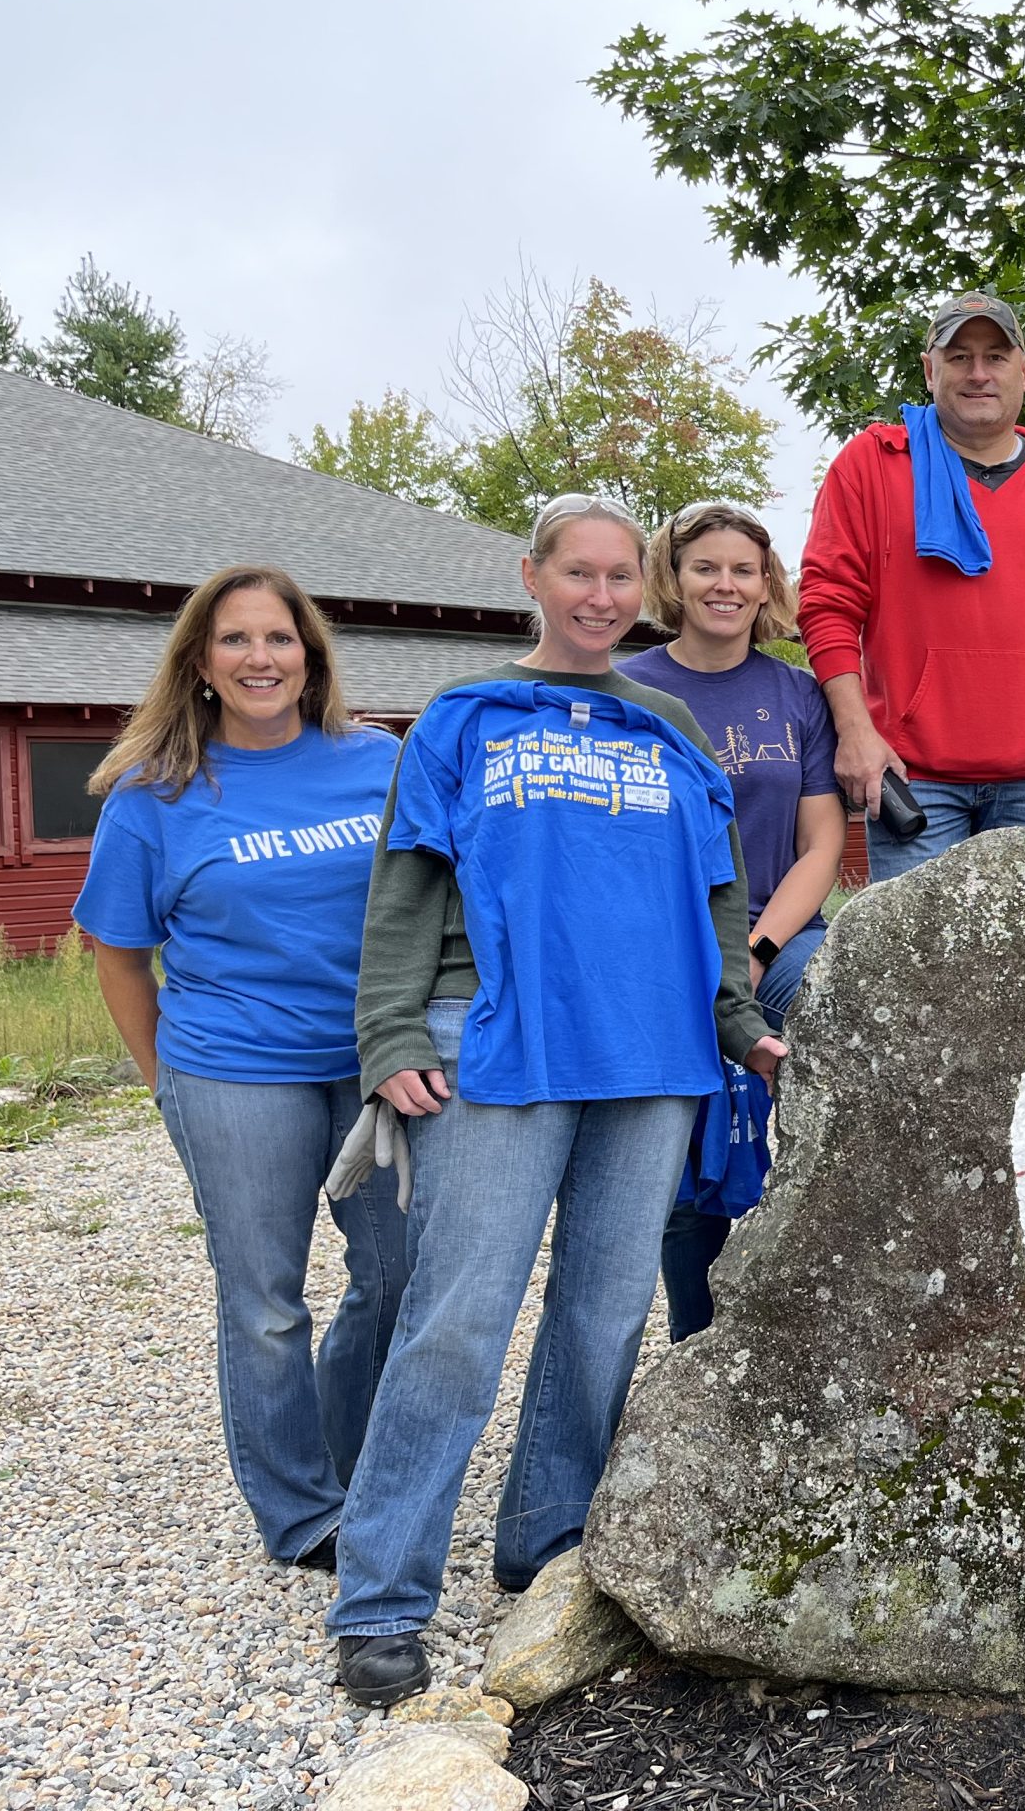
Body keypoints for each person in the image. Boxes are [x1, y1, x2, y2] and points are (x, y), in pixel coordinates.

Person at [331, 495, 786, 1707]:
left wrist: (740, 1023)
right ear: (532, 576)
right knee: (458, 1317)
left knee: (601, 1317)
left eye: (619, 576)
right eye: (576, 573)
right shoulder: (465, 716)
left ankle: (547, 1546)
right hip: (497, 1036)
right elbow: (405, 884)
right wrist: (386, 1032)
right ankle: (381, 1597)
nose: (600, 595)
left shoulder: (673, 726)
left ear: (646, 589)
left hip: (652, 1051)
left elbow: (719, 901)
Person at [72, 566, 408, 1574]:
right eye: (235, 641)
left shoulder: (376, 760)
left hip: (371, 1062)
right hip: (234, 1068)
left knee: (397, 1277)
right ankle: (303, 1512)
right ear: (202, 665)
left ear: (310, 655)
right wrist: (163, 1079)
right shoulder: (154, 797)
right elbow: (119, 953)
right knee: (263, 1299)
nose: (260, 658)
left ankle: (346, 1456)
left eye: (279, 639)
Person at [798, 290, 1025, 879]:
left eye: (995, 355)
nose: (978, 372)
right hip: (911, 773)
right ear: (930, 368)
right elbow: (827, 606)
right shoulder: (871, 465)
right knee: (916, 964)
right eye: (959, 356)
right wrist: (854, 731)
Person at [619, 499, 844, 1341]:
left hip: (776, 937)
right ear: (672, 579)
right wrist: (706, 968)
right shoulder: (632, 687)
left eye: (743, 569)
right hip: (665, 944)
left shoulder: (796, 692)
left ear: (765, 583)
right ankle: (695, 1346)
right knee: (685, 1138)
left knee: (841, 1031)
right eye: (705, 567)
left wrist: (753, 950)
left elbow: (821, 844)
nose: (725, 584)